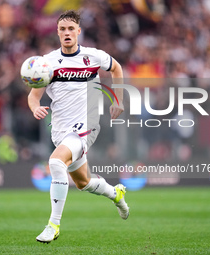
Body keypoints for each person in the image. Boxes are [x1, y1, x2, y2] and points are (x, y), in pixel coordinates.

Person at [27, 10, 129, 244]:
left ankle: (53, 224)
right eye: (62, 29)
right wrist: (34, 108)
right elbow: (34, 96)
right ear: (57, 32)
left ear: (79, 31)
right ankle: (116, 194)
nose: (67, 33)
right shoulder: (48, 63)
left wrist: (119, 99)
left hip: (86, 126)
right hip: (61, 130)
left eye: (71, 28)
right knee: (83, 183)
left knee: (55, 162)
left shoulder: (93, 56)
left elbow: (117, 68)